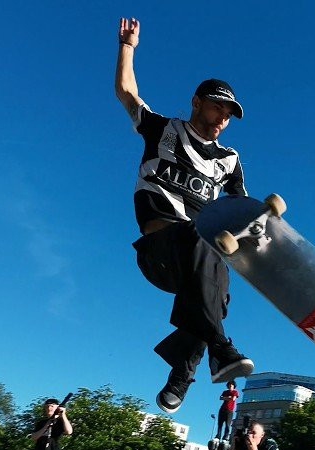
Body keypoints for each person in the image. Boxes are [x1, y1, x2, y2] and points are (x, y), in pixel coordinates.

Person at [115, 17, 254, 415]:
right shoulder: (163, 130)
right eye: (216, 108)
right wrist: (128, 47)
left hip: (198, 264)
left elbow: (240, 210)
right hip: (159, 251)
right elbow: (126, 93)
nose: (221, 119)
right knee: (200, 237)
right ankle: (220, 346)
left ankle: (182, 374)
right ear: (197, 102)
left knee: (220, 289)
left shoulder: (230, 160)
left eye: (228, 114)